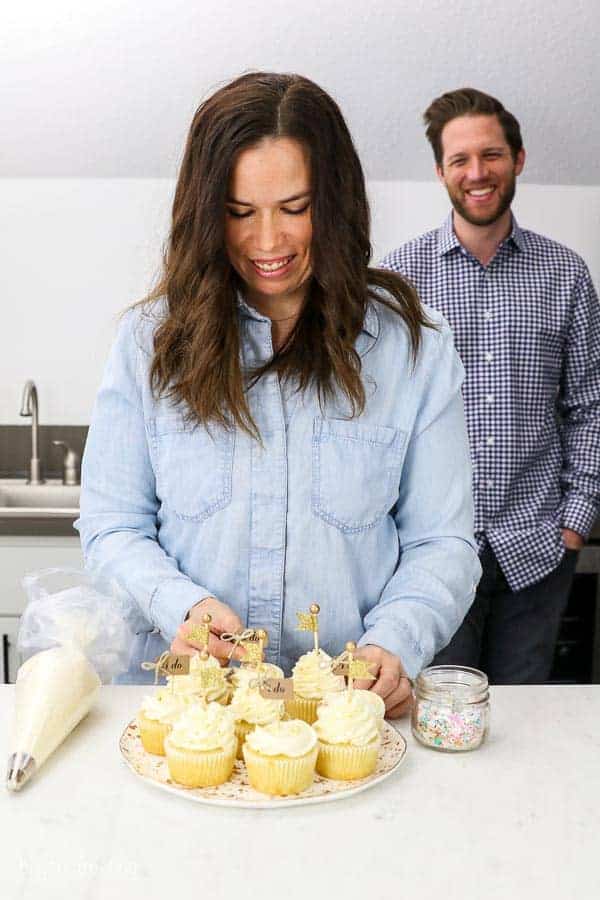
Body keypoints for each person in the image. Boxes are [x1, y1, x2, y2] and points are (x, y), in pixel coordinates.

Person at [75, 72, 481, 716]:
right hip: (187, 713)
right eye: (239, 213)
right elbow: (112, 525)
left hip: (345, 721)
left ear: (337, 202)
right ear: (206, 212)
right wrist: (180, 606)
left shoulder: (414, 348)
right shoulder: (148, 342)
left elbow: (443, 541)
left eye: (296, 208)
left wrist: (393, 641)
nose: (268, 243)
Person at [381, 87, 600, 684]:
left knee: (521, 725)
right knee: (437, 719)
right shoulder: (399, 280)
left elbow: (590, 405)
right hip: (429, 552)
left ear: (518, 159)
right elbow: (377, 414)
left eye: (492, 155)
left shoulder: (567, 274)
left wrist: (575, 520)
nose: (477, 173)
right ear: (440, 172)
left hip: (538, 546)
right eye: (460, 160)